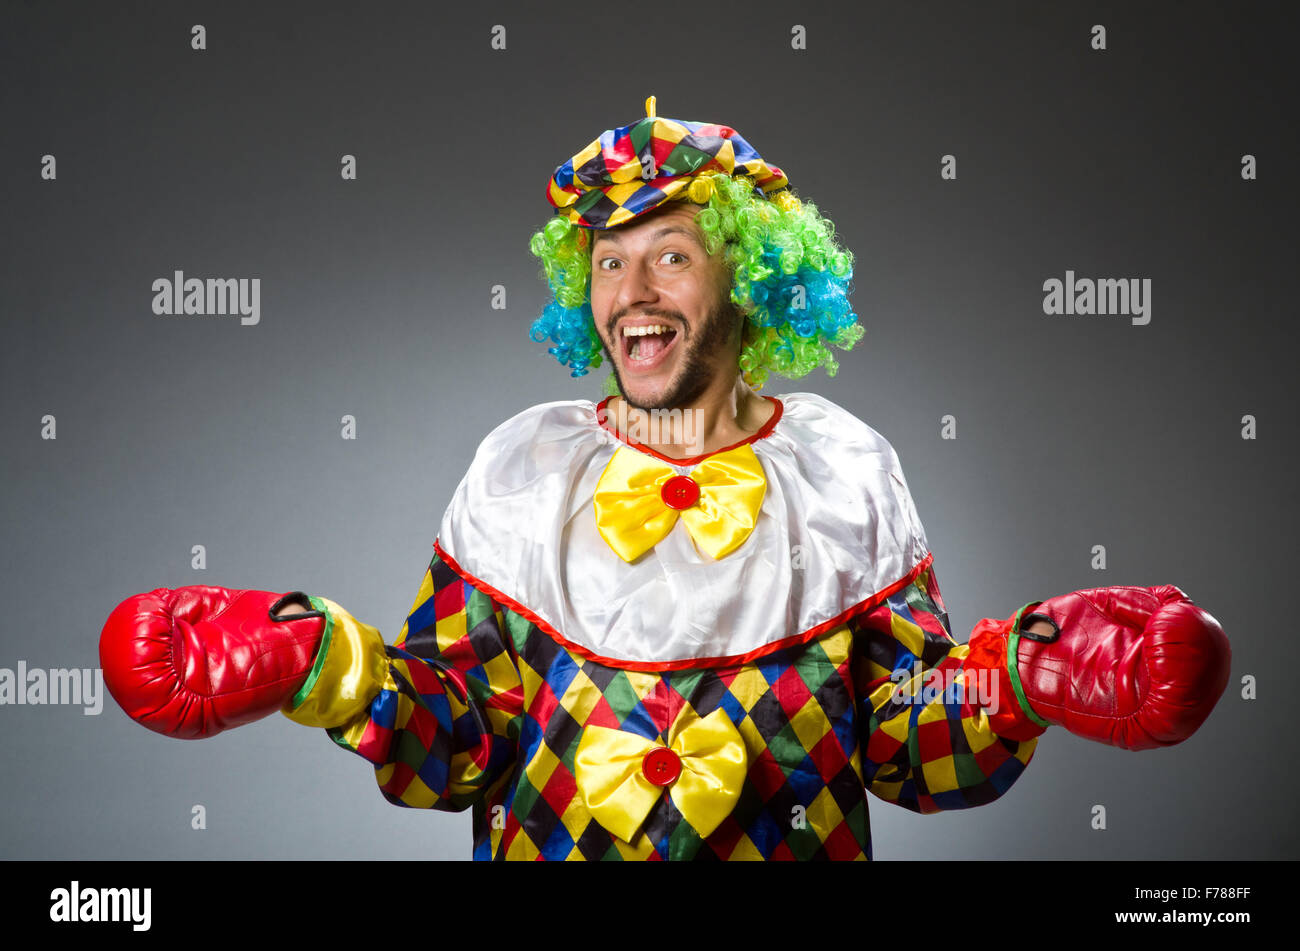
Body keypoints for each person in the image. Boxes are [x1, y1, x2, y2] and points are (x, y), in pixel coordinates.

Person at [99, 98, 1231, 861]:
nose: (631, 291)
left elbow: (900, 745)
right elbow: (465, 745)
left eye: (672, 256)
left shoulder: (845, 470)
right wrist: (319, 665)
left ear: (755, 282)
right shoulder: (518, 468)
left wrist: (1021, 676)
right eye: (608, 263)